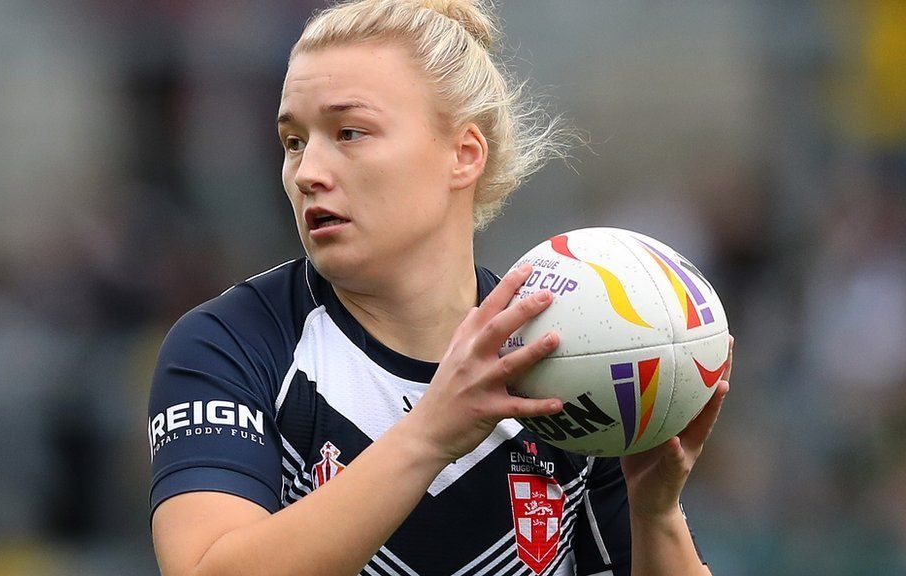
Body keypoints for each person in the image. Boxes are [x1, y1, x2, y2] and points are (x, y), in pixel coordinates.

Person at [147, 1, 733, 575]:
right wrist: (430, 434)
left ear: (463, 153)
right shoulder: (233, 343)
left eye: (349, 132)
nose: (307, 173)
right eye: (294, 141)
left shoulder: (563, 356)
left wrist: (655, 511)